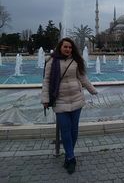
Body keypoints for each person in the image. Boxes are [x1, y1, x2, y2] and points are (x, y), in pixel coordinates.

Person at [41, 37, 97, 174]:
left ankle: (68, 155)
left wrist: (92, 90)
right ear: (60, 47)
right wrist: (45, 98)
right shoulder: (51, 61)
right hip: (60, 100)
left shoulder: (76, 60)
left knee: (74, 131)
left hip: (77, 99)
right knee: (65, 131)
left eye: (70, 47)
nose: (68, 49)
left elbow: (82, 77)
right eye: (65, 47)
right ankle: (71, 158)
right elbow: (47, 80)